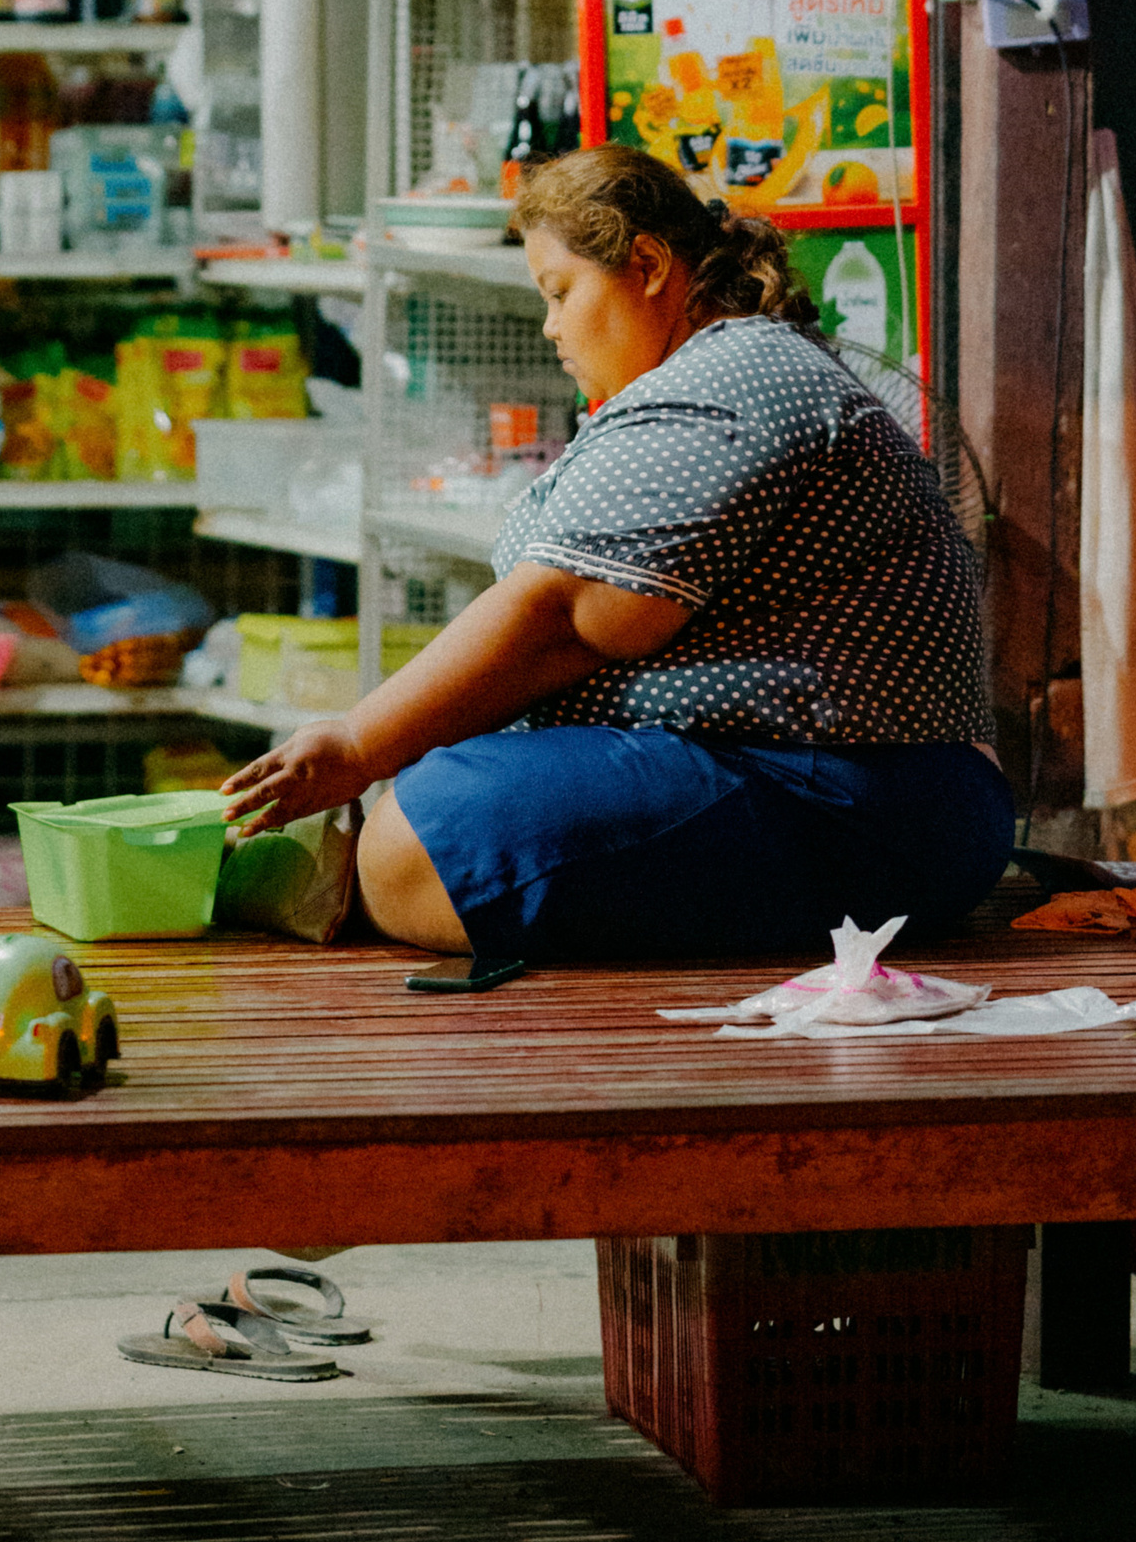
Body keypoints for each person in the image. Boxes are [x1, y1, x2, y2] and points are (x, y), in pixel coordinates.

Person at [219, 143, 1013, 964]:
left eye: (561, 292)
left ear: (648, 264)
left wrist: (358, 745)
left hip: (866, 797)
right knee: (434, 814)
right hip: (841, 793)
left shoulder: (734, 378)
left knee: (425, 841)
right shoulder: (712, 375)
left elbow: (576, 612)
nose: (552, 326)